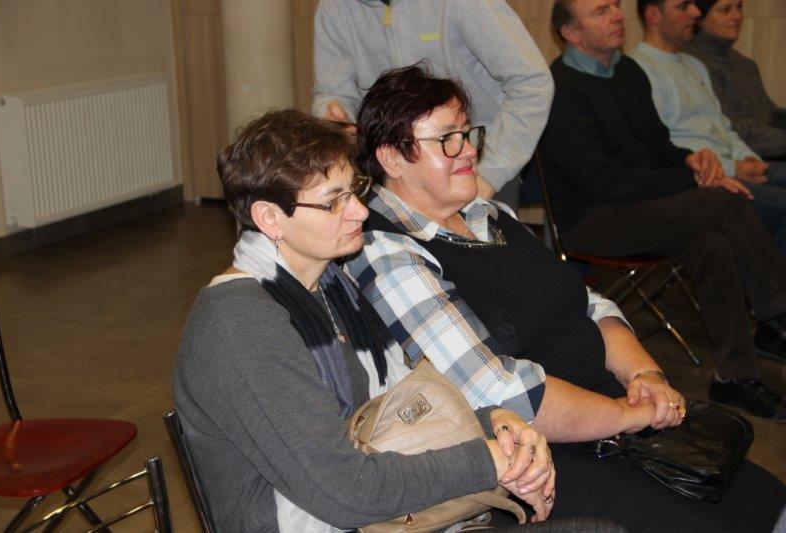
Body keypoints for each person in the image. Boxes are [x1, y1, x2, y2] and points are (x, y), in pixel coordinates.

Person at [346, 63, 786, 532]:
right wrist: (628, 415)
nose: (469, 149)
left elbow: (591, 305)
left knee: (768, 499)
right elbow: (501, 391)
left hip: (611, 418)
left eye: (467, 132)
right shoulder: (387, 252)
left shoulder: (486, 213)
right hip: (536, 459)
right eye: (447, 139)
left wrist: (645, 375)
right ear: (392, 159)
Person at [172, 109, 567, 531]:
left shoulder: (330, 284)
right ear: (270, 218)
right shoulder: (240, 324)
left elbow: (409, 402)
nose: (360, 212)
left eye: (354, 191)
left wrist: (494, 422)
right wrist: (486, 461)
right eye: (332, 202)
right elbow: (346, 491)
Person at [539, 0, 786, 410]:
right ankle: (779, 314)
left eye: (615, 6)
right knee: (724, 203)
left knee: (712, 243)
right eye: (600, 11)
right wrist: (691, 179)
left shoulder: (628, 73)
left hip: (638, 206)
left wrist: (691, 160)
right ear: (571, 33)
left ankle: (735, 377)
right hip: (590, 218)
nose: (617, 15)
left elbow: (657, 147)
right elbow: (605, 182)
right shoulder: (561, 88)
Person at [311, 0, 554, 207]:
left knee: (482, 249)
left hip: (476, 161)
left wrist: (491, 172)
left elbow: (532, 83)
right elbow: (332, 93)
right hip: (394, 172)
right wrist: (334, 111)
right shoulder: (334, 7)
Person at [630, 0, 786, 256]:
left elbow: (723, 125)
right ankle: (769, 280)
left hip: (730, 164)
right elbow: (663, 147)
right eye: (683, 7)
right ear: (653, 15)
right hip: (702, 178)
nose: (695, 12)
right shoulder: (639, 69)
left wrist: (747, 157)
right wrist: (732, 168)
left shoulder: (694, 65)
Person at [685, 0, 786, 160]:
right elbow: (729, 128)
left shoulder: (745, 64)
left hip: (770, 151)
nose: (737, 16)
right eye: (725, 10)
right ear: (700, 19)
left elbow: (770, 113)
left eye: (739, 7)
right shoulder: (691, 63)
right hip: (734, 159)